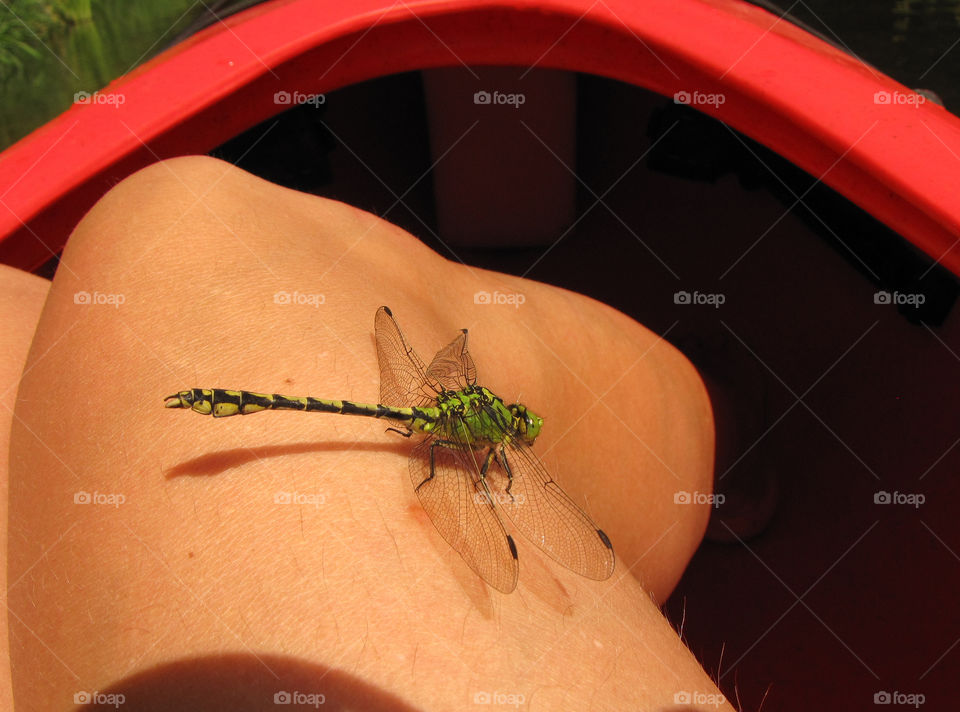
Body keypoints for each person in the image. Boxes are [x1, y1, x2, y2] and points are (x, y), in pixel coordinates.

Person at [3, 156, 730, 710]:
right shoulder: (482, 446)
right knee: (179, 213)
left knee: (149, 226)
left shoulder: (464, 404)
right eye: (516, 428)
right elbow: (482, 484)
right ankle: (711, 420)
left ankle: (706, 411)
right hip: (420, 420)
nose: (518, 432)